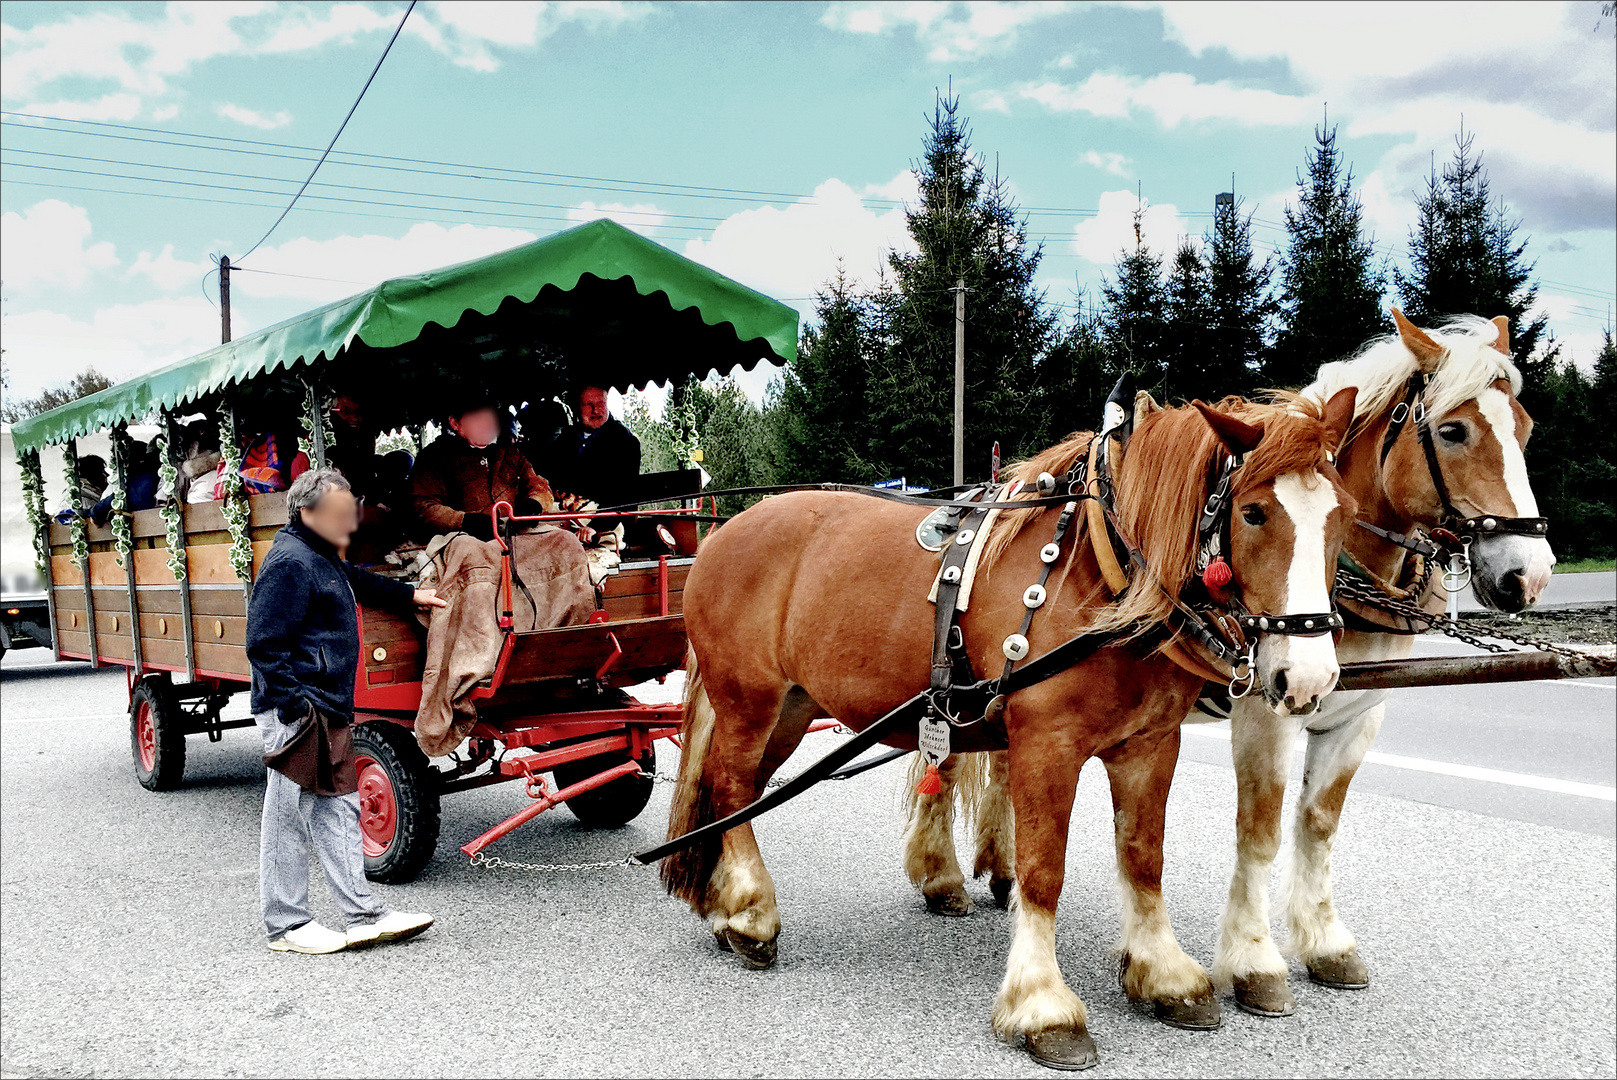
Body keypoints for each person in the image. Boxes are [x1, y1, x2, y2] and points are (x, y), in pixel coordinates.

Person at [246, 469, 447, 954]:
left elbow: (353, 579)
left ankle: (364, 916)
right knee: (287, 814)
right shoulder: (290, 563)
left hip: (326, 704)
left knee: (338, 807)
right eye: (340, 515)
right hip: (299, 707)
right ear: (307, 512)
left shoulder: (318, 553)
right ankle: (287, 926)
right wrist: (295, 706)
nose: (349, 524)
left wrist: (408, 594)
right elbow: (262, 644)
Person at [408, 399, 556, 541]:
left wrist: (535, 503)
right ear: (455, 423)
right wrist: (463, 521)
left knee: (564, 541)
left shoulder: (510, 453)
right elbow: (422, 506)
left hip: (516, 534)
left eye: (490, 416)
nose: (487, 423)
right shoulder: (434, 457)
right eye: (477, 418)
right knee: (473, 556)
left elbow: (538, 485)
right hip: (462, 538)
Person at [544, 384, 641, 506]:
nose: (595, 410)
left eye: (600, 404)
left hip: (607, 519)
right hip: (565, 516)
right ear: (577, 407)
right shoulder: (565, 439)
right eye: (589, 404)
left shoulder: (625, 442)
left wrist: (596, 525)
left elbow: (623, 495)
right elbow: (550, 480)